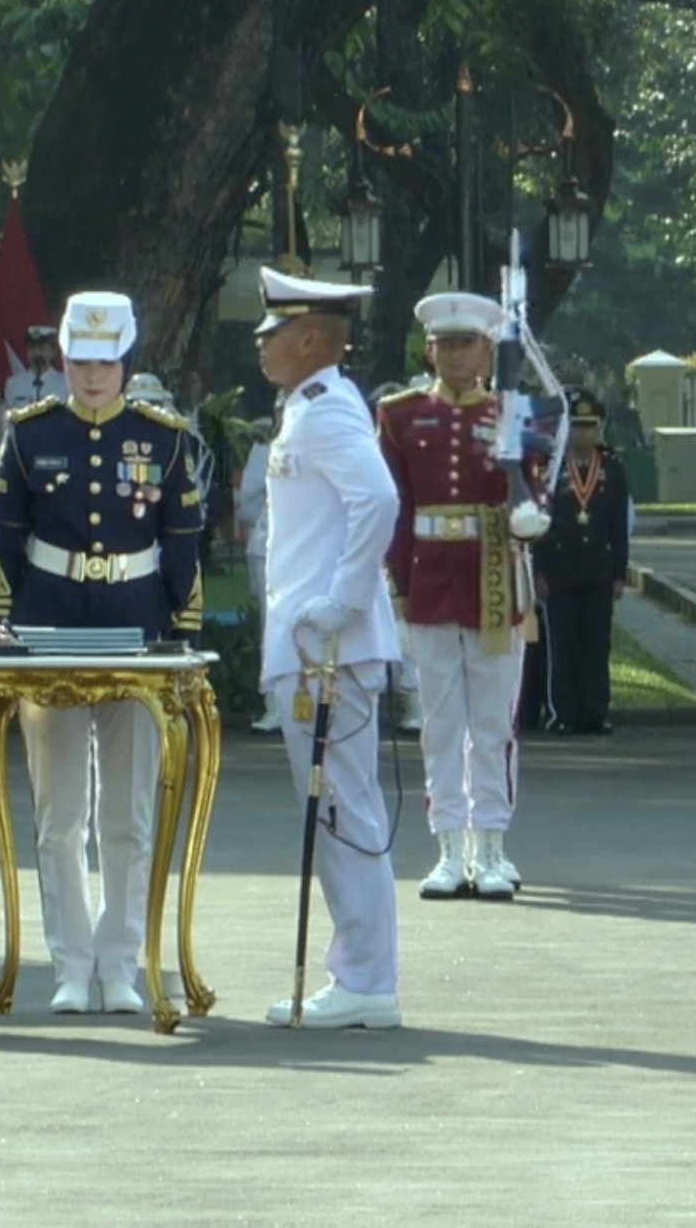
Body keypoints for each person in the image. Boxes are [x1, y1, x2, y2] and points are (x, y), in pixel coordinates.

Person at [0, 293, 204, 1016]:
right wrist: (14, 622)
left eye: (106, 361)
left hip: (137, 627)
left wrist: (177, 625)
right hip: (51, 626)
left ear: (126, 360)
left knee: (131, 814)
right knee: (59, 813)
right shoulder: (28, 434)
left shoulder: (163, 438)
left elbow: (181, 538)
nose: (92, 374)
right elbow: (4, 539)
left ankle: (120, 963)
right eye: (80, 360)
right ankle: (70, 965)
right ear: (63, 361)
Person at [253, 267, 402, 1030]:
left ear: (312, 339)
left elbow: (377, 499)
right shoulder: (307, 408)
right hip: (316, 646)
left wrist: (344, 601)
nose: (262, 346)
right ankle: (362, 973)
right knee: (341, 811)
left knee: (343, 814)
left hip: (328, 650)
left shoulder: (322, 411)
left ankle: (366, 980)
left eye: (272, 333)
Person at [377, 291, 547, 902]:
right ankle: (448, 845)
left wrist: (529, 510)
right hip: (430, 575)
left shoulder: (513, 412)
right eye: (445, 344)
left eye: (467, 343)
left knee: (493, 723)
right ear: (429, 350)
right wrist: (396, 587)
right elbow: (394, 509)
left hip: (494, 573)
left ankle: (492, 844)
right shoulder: (400, 416)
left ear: (486, 350)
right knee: (440, 722)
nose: (455, 354)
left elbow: (535, 488)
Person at [531, 389, 630, 735]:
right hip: (559, 569)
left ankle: (595, 712)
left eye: (588, 427)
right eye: (575, 427)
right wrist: (538, 572)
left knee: (596, 644)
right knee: (561, 644)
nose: (582, 434)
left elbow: (619, 524)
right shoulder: (550, 467)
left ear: (599, 428)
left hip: (599, 570)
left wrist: (620, 572)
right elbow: (538, 523)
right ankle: (563, 712)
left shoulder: (613, 468)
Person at [236, 410, 281, 734]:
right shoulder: (265, 449)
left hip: (312, 550)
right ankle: (275, 704)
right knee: (273, 628)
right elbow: (249, 501)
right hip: (270, 546)